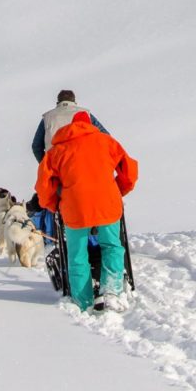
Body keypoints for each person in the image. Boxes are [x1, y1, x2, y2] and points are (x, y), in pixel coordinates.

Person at [36, 109, 138, 312]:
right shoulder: (107, 142)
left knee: (77, 254)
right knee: (112, 246)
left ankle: (83, 301)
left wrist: (54, 204)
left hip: (74, 207)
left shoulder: (57, 151)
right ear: (90, 125)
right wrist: (119, 191)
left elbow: (44, 185)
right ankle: (111, 291)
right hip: (107, 203)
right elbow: (130, 171)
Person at [32, 88, 107, 162]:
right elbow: (106, 137)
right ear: (75, 102)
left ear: (58, 103)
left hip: (56, 166)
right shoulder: (86, 114)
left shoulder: (47, 117)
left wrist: (46, 165)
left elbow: (36, 147)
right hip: (83, 162)